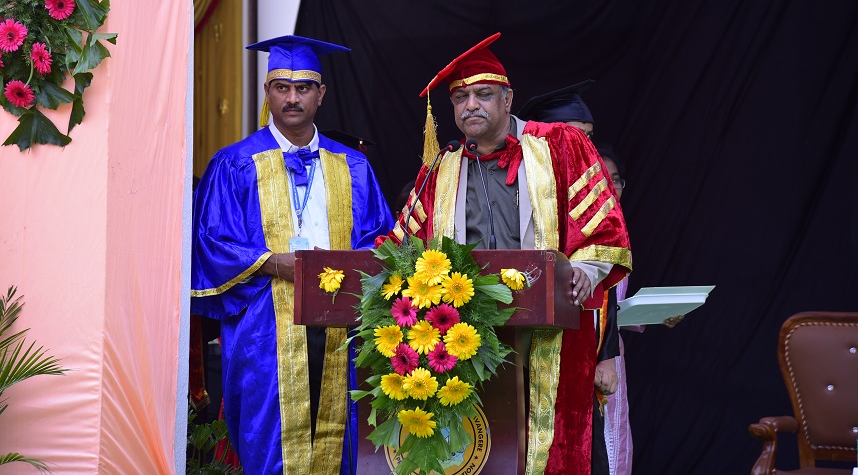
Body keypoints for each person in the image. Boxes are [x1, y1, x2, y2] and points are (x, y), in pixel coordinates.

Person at [389, 33, 632, 475]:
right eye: (460, 98)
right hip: (467, 337)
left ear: (507, 99)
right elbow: (403, 247)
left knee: (552, 448)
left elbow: (604, 223)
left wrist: (585, 268)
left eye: (483, 94)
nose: (471, 106)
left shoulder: (558, 145)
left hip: (550, 332)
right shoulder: (442, 167)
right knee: (485, 452)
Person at [190, 35, 394, 474]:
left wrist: (344, 267)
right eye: (282, 87)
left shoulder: (353, 165)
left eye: (303, 88)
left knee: (343, 435)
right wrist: (274, 263)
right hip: (265, 323)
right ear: (267, 93)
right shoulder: (234, 163)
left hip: (343, 321)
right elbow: (211, 242)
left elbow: (382, 240)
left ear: (321, 94)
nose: (292, 98)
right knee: (268, 438)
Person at [519, 81, 621, 474]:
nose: (584, 147)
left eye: (589, 137)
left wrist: (606, 356)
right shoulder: (522, 185)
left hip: (578, 351)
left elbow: (604, 287)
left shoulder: (591, 195)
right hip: (525, 346)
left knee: (577, 443)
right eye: (576, 135)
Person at [594, 143, 682, 475]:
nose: (611, 187)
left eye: (616, 180)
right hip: (583, 354)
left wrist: (653, 314)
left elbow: (612, 308)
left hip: (612, 354)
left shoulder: (617, 231)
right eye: (602, 179)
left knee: (614, 437)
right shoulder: (571, 233)